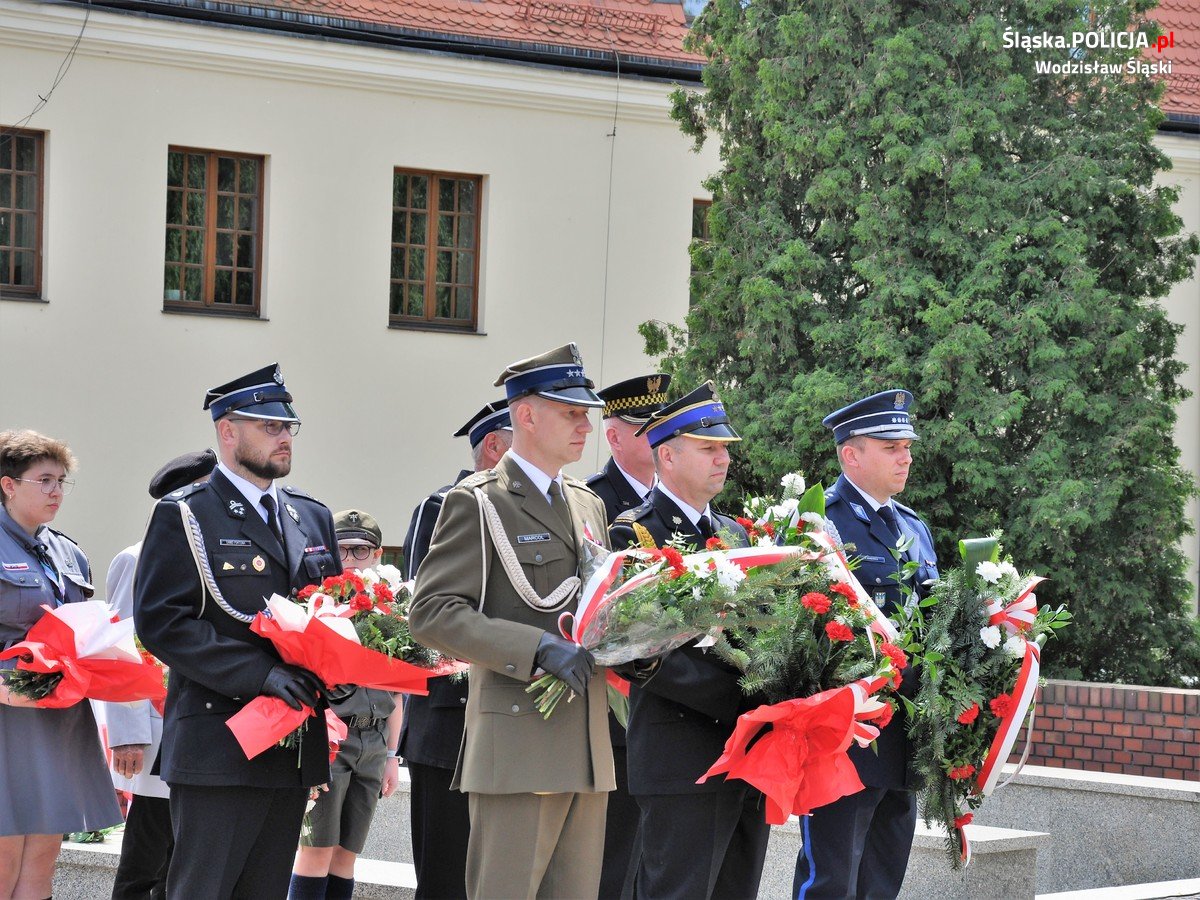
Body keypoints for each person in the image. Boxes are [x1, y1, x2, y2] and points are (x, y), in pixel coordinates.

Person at [408, 342, 614, 900]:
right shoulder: (478, 502)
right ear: (525, 414)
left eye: (587, 415)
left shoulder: (586, 503)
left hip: (586, 744)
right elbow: (430, 612)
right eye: (572, 413)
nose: (586, 427)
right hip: (519, 742)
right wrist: (537, 648)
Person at [134, 363, 342, 899]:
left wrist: (344, 673)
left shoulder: (309, 516)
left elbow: (337, 617)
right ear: (228, 431)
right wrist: (261, 674)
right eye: (269, 426)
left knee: (266, 892)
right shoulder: (187, 514)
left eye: (288, 427)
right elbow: (163, 622)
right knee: (203, 890)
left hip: (292, 743)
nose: (284, 438)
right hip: (220, 741)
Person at [609, 381, 770, 900]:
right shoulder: (635, 535)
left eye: (725, 449)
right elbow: (638, 652)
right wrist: (741, 700)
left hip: (749, 752)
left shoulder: (738, 535)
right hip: (682, 754)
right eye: (709, 448)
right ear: (668, 456)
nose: (723, 459)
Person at [791, 389, 939, 900]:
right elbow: (802, 636)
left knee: (882, 879)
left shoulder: (915, 528)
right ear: (850, 454)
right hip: (847, 738)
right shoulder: (822, 524)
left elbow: (932, 620)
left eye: (907, 446)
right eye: (891, 446)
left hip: (905, 739)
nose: (907, 456)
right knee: (830, 879)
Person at [0, 429, 123, 898]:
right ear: (9, 484)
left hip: (59, 712)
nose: (56, 491)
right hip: (7, 713)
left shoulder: (67, 551)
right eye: (44, 480)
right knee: (5, 855)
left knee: (43, 857)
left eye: (61, 481)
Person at [398, 399, 511, 900]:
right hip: (450, 721)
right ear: (494, 445)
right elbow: (427, 610)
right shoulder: (444, 504)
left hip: (509, 717)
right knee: (446, 876)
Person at [104, 448, 217, 900]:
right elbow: (119, 649)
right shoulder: (137, 557)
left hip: (200, 728)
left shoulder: (216, 556)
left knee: (183, 863)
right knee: (145, 862)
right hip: (153, 730)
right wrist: (127, 731)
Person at [289, 509, 404, 900]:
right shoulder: (317, 606)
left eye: (361, 550)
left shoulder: (391, 610)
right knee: (316, 850)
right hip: (332, 738)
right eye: (343, 550)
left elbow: (398, 690)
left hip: (373, 741)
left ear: (378, 555)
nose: (352, 559)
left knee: (347, 854)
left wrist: (391, 754)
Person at [586, 373, 670, 899]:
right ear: (615, 437)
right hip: (614, 716)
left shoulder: (682, 502)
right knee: (613, 865)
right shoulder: (596, 502)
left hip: (677, 723)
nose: (661, 438)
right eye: (648, 429)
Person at [585, 374, 669, 522]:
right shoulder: (590, 499)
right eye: (647, 428)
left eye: (662, 426)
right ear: (615, 438)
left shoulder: (673, 492)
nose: (660, 435)